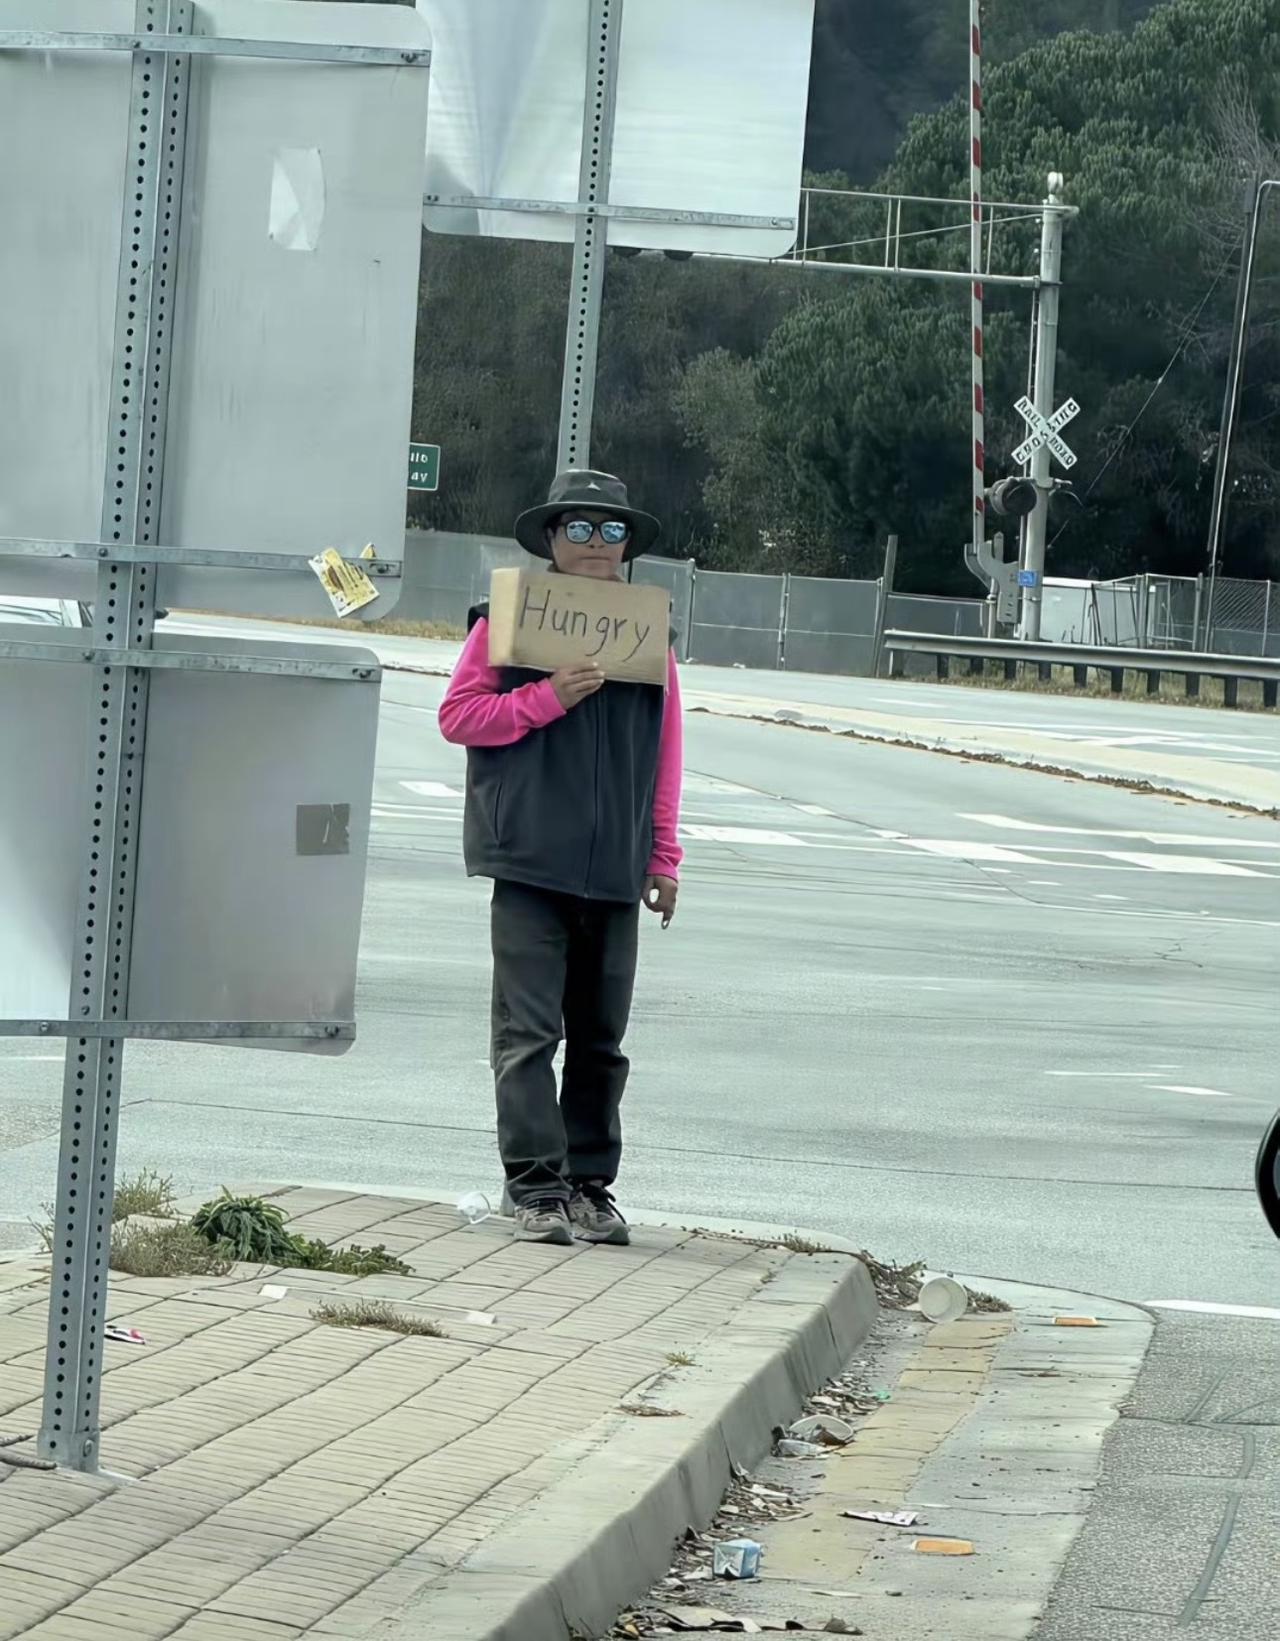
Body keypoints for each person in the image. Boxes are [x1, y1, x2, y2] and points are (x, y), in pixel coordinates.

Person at [439, 470, 684, 1247]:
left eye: (612, 532)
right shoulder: (504, 624)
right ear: (551, 539)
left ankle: (589, 1183)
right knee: (529, 1034)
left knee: (601, 1039)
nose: (596, 545)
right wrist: (546, 696)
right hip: (530, 860)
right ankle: (535, 1185)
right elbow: (459, 716)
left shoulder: (649, 638)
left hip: (613, 869)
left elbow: (665, 750)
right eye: (579, 528)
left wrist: (663, 854)